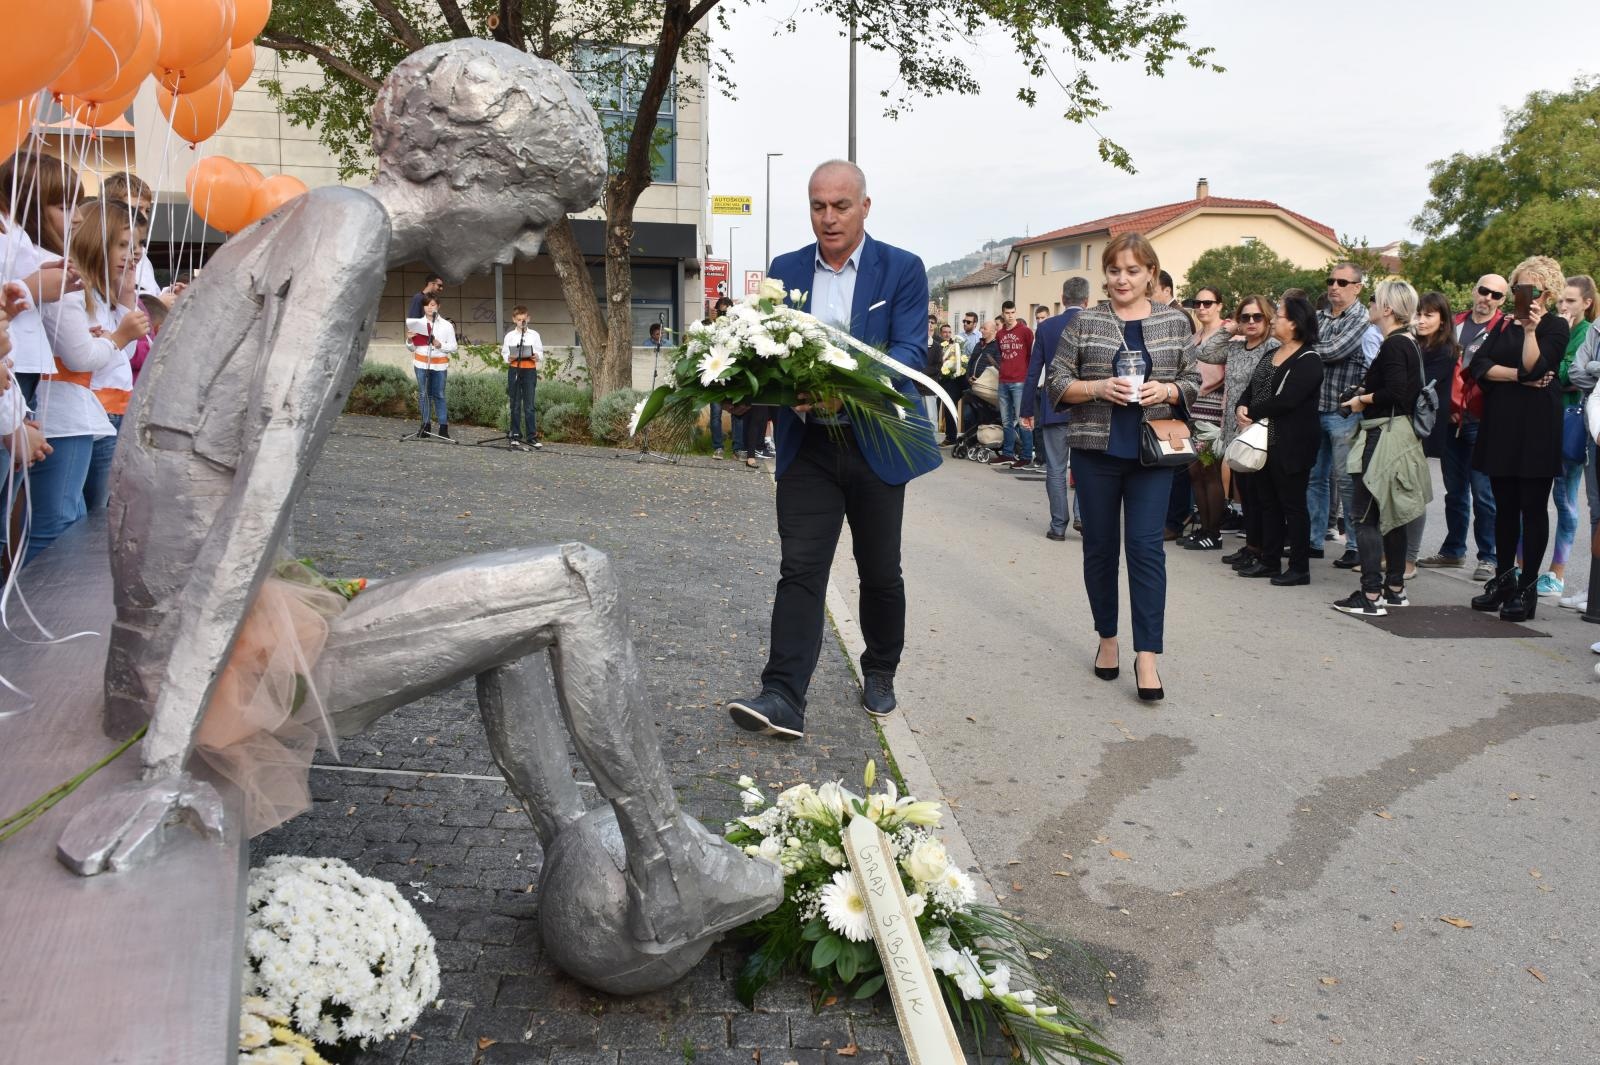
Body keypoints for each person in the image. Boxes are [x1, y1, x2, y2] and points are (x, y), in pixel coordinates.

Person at [724, 160, 939, 739]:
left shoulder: (902, 269)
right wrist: (754, 387)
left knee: (880, 572)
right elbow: (764, 347)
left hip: (875, 443)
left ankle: (880, 667)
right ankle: (782, 695)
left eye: (840, 206)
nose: (828, 217)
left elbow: (911, 354)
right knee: (800, 570)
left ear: (864, 207)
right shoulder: (786, 269)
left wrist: (843, 385)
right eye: (818, 205)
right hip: (808, 448)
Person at [1047, 232, 1199, 702]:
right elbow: (1056, 381)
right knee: (1099, 548)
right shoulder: (1086, 322)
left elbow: (1193, 379)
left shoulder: (1175, 322)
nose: (1122, 279)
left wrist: (1169, 391)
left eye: (1133, 271)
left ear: (1151, 273)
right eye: (1115, 270)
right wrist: (1097, 388)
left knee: (1146, 550)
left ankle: (1147, 655)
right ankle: (1108, 639)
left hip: (1154, 452)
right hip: (1097, 452)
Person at [24, 202, 149, 562]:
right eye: (123, 245)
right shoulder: (66, 283)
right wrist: (116, 338)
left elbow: (115, 356)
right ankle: (41, 607)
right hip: (67, 414)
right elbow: (85, 357)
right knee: (62, 525)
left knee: (82, 521)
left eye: (135, 246)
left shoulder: (91, 291)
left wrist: (122, 312)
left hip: (90, 414)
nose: (133, 255)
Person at [1468, 256, 1570, 621]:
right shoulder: (1502, 324)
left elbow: (1539, 367)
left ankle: (1527, 588)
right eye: (1519, 289)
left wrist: (1530, 332)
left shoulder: (1556, 326)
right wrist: (1516, 376)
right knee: (1504, 505)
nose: (1524, 297)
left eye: (1531, 290)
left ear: (1548, 292)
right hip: (1503, 422)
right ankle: (1503, 579)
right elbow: (1478, 367)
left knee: (1532, 506)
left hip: (1538, 425)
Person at [1331, 280, 1427, 617]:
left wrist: (1360, 399)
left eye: (1375, 300)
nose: (1370, 305)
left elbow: (1397, 391)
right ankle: (1394, 590)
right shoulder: (1409, 343)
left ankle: (1371, 594)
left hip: (1384, 435)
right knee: (1393, 515)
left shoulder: (1393, 345)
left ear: (1387, 308)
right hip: (1398, 434)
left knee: (1365, 514)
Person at [1418, 276, 1506, 579]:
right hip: (1450, 419)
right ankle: (1453, 551)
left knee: (1483, 492)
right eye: (1484, 290)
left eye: (1496, 294)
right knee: (1454, 491)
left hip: (1484, 420)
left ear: (1502, 300)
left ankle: (1488, 557)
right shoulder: (1453, 323)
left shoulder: (1503, 328)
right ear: (1474, 290)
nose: (1488, 298)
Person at [1234, 295, 1323, 584]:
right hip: (1265, 441)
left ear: (1295, 324)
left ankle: (1299, 568)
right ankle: (1269, 560)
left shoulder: (1309, 360)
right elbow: (1252, 386)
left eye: (1280, 317)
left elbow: (1287, 401)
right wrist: (1242, 405)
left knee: (1293, 506)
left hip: (1292, 444)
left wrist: (1253, 411)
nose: (1274, 321)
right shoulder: (1271, 354)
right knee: (1267, 502)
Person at [1196, 295, 1279, 572]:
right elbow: (1205, 353)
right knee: (1244, 491)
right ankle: (1251, 546)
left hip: (1261, 428)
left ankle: (1265, 550)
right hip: (1234, 426)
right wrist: (1228, 329)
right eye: (1245, 317)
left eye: (1257, 317)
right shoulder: (1235, 348)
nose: (1251, 322)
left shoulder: (1274, 347)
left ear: (1268, 318)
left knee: (1262, 494)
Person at [1311, 262, 1372, 569]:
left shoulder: (1362, 318)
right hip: (1315, 406)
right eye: (1331, 280)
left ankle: (1355, 544)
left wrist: (1307, 347)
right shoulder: (1319, 316)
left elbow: (1336, 350)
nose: (1334, 286)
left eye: (1342, 282)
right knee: (1314, 478)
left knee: (1346, 480)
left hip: (1344, 410)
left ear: (1357, 287)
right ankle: (1313, 539)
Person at [1541, 275, 1597, 597]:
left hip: (1570, 422)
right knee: (1533, 498)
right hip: (1543, 420)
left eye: (1571, 301)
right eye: (1561, 300)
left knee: (1564, 498)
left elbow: (1564, 372)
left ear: (1586, 303)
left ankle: (1558, 572)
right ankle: (1523, 567)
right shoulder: (1558, 327)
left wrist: (1556, 368)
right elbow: (1549, 369)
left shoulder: (1587, 332)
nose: (1563, 306)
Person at [1020, 277, 1089, 540]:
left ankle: (1058, 525)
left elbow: (1033, 371)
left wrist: (1027, 408)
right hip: (1087, 406)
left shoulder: (1046, 327)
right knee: (1085, 467)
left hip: (1054, 405)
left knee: (1056, 469)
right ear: (1086, 300)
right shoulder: (1094, 324)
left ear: (1062, 298)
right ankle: (1083, 516)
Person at [1412, 291, 1461, 568]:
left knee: (1416, 490)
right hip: (1406, 421)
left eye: (1428, 315)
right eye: (1418, 314)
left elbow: (1421, 383)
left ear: (1442, 320)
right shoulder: (1414, 343)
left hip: (1425, 424)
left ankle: (1408, 554)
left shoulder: (1446, 350)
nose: (1421, 320)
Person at [1179, 286, 1228, 550]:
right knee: (1195, 472)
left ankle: (1214, 532)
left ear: (1219, 305)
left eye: (1208, 303)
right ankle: (1204, 529)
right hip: (1192, 409)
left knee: (1210, 472)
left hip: (1213, 410)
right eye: (1197, 303)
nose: (1201, 308)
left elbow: (1225, 374)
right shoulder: (1195, 336)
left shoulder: (1227, 333)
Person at [407, 294, 456, 438]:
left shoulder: (446, 325)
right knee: (423, 394)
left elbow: (453, 347)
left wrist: (440, 345)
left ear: (438, 306)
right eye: (427, 305)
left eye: (433, 304)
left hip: (439, 365)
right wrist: (409, 340)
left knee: (439, 395)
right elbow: (411, 348)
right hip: (421, 364)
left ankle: (443, 427)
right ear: (423, 307)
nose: (430, 307)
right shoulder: (417, 324)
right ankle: (425, 424)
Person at [993, 299, 1034, 468]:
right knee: (1006, 421)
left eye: (1012, 313)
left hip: (1019, 381)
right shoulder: (999, 334)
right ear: (1003, 314)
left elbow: (1031, 356)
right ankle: (1007, 454)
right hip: (1003, 380)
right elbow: (1001, 355)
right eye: (1007, 313)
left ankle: (1025, 455)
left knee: (1022, 419)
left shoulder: (1025, 332)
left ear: (1015, 313)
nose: (1010, 316)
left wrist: (1029, 379)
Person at [502, 304, 542, 450]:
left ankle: (531, 436)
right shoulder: (510, 336)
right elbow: (504, 353)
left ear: (528, 319)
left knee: (529, 405)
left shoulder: (534, 335)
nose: (521, 322)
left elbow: (540, 353)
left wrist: (537, 356)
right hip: (514, 370)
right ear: (514, 320)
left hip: (529, 371)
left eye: (524, 319)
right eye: (519, 320)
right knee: (515, 404)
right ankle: (515, 435)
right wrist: (509, 357)